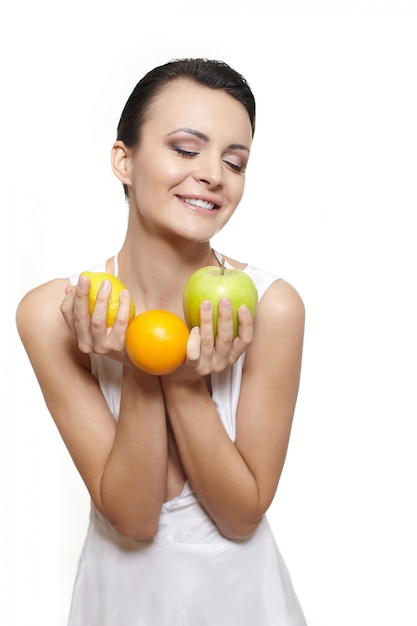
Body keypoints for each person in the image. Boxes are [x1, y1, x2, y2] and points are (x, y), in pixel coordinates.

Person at [16, 58, 307, 625]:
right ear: (124, 160)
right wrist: (137, 361)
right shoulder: (54, 313)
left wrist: (179, 378)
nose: (213, 175)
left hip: (245, 604)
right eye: (185, 148)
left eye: (234, 161)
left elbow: (241, 514)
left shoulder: (271, 307)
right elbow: (135, 516)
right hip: (121, 603)